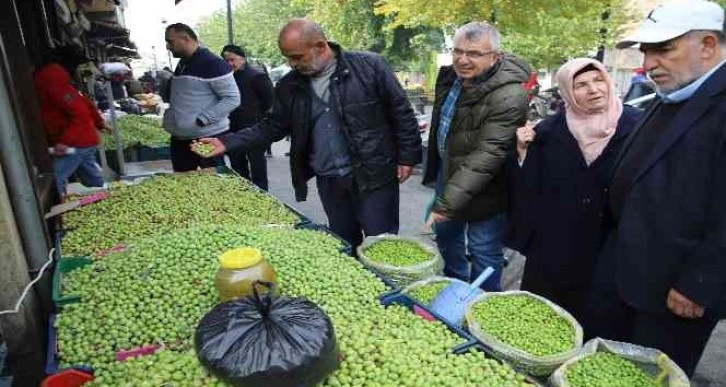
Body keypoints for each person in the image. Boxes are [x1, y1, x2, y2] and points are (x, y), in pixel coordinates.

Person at [587, 0, 726, 376]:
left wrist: (700, 282)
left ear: (708, 45)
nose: (649, 63)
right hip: (625, 270)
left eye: (664, 49)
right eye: (646, 51)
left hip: (675, 293)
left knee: (649, 376)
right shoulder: (675, 93)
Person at [196, 19, 421, 249]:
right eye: (287, 57)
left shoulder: (369, 66)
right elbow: (271, 126)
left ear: (320, 46)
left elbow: (400, 112)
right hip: (330, 180)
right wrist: (227, 142)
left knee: (381, 245)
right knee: (344, 243)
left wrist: (407, 157)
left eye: (296, 57)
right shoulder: (289, 85)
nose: (291, 64)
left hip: (373, 174)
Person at [509, 58, 641, 323]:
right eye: (580, 84)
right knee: (541, 322)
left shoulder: (638, 127)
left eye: (598, 80)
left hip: (608, 249)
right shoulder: (547, 132)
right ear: (567, 91)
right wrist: (522, 153)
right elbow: (529, 190)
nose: (593, 89)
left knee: (596, 322)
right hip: (554, 248)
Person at [421, 22, 529, 291]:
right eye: (457, 51)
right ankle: (455, 287)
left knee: (483, 249)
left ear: (495, 57)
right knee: (446, 236)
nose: (463, 59)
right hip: (452, 175)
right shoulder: (450, 77)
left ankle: (481, 303)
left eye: (474, 53)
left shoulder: (510, 95)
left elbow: (487, 154)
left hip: (489, 187)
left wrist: (445, 205)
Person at [162, 23, 240, 172]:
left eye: (170, 41)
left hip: (206, 138)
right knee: (182, 184)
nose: (168, 46)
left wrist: (203, 119)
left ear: (185, 39)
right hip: (181, 139)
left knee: (213, 185)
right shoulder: (183, 63)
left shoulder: (213, 63)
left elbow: (232, 98)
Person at [33, 45, 106, 196]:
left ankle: (60, 215)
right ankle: (108, 198)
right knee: (94, 180)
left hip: (76, 143)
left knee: (54, 179)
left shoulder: (50, 76)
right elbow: (84, 103)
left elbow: (80, 111)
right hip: (84, 139)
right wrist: (99, 122)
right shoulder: (58, 76)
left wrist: (64, 142)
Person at [221, 45, 274, 190]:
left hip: (254, 129)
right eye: (226, 61)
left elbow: (270, 102)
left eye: (232, 59)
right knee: (237, 165)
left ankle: (262, 195)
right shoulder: (224, 79)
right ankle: (244, 193)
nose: (230, 64)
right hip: (232, 129)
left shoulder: (257, 76)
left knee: (257, 166)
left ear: (242, 58)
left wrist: (261, 122)